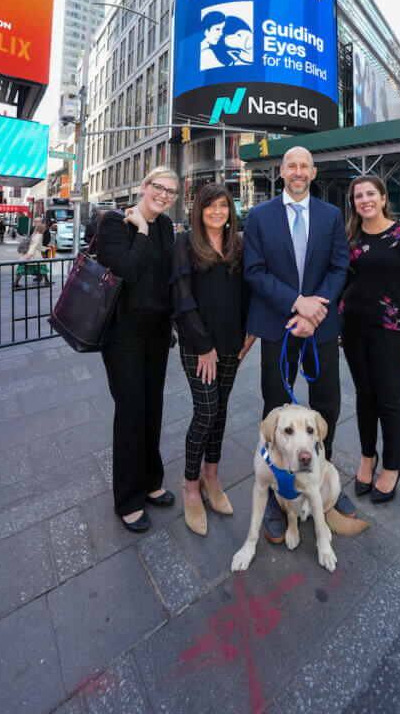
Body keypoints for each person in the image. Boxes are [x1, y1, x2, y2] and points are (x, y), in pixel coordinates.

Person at [243, 145, 353, 544]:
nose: (298, 171)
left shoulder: (331, 215)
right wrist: (296, 303)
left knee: (328, 405)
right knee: (274, 408)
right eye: (291, 165)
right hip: (277, 326)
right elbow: (253, 272)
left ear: (313, 170)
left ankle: (320, 479)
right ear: (282, 171)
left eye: (304, 165)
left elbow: (340, 266)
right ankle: (277, 491)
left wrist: (313, 312)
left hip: (319, 327)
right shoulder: (258, 216)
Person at [96, 166, 179, 533]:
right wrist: (141, 232)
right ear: (143, 187)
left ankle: (151, 480)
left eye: (171, 192)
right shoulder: (115, 223)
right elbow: (127, 269)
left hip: (157, 331)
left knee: (153, 407)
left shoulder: (166, 227)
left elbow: (167, 278)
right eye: (158, 188)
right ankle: (128, 499)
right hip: (123, 333)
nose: (164, 195)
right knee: (130, 412)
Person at [171, 183, 255, 536]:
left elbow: (250, 290)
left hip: (232, 343)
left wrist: (250, 334)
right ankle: (191, 486)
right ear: (199, 209)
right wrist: (203, 345)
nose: (218, 211)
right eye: (211, 206)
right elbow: (181, 297)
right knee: (205, 412)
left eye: (224, 205)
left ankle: (212, 476)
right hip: (198, 346)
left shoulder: (239, 244)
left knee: (220, 411)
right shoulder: (186, 244)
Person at [340, 176, 400, 503]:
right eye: (358, 196)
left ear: (382, 197)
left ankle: (391, 466)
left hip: (392, 331)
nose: (364, 200)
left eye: (370, 194)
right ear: (354, 203)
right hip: (353, 329)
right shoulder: (351, 237)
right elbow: (342, 279)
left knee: (388, 398)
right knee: (364, 395)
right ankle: (367, 456)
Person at [14, 217, 50, 288]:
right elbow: (35, 245)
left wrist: (45, 249)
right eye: (35, 222)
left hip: (32, 254)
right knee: (41, 268)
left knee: (22, 268)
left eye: (36, 222)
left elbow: (36, 245)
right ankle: (46, 281)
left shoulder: (38, 235)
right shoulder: (35, 234)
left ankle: (16, 283)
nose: (35, 224)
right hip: (33, 255)